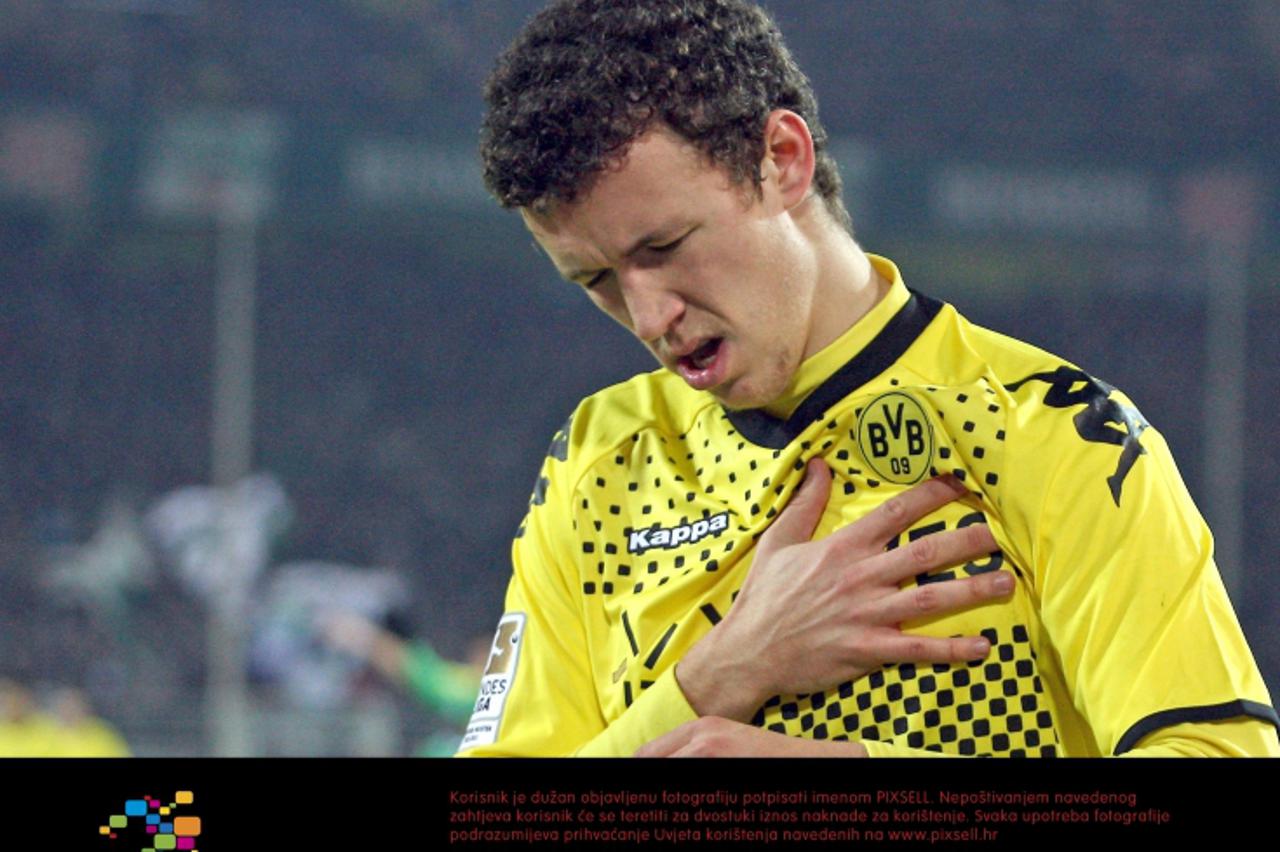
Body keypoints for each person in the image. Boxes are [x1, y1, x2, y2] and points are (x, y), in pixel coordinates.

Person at [458, 0, 1279, 757]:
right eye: (596, 280)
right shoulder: (596, 467)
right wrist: (719, 675)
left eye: (663, 247)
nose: (647, 316)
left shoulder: (1055, 434)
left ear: (782, 160)